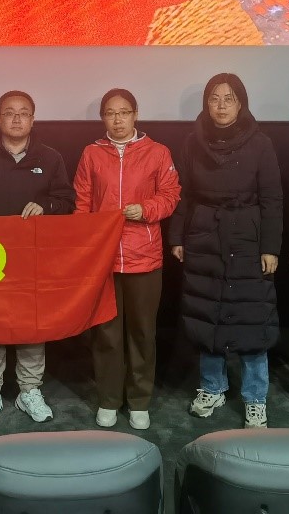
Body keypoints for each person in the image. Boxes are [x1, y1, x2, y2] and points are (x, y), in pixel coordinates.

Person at [0, 90, 76, 427]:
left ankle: (29, 390)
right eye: (9, 112)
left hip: (33, 259)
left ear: (33, 119)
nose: (16, 119)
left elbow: (67, 201)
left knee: (31, 324)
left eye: (23, 113)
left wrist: (46, 206)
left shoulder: (50, 158)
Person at [168, 74, 282, 429]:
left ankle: (255, 397)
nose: (220, 106)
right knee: (208, 313)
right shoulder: (192, 142)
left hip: (248, 235)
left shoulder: (260, 143)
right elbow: (183, 193)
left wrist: (271, 247)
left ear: (240, 103)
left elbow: (272, 199)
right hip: (204, 233)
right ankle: (212, 387)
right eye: (214, 98)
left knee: (252, 316)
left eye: (228, 98)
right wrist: (177, 236)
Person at [74, 88, 181, 431]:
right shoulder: (91, 153)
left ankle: (139, 401)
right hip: (103, 259)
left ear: (135, 114)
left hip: (143, 258)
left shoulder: (158, 152)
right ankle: (108, 400)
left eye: (123, 112)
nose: (117, 120)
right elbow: (82, 202)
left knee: (142, 333)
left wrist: (146, 209)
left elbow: (171, 194)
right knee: (106, 334)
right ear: (102, 118)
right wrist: (86, 247)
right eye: (110, 113)